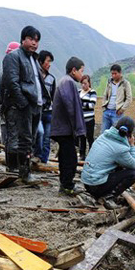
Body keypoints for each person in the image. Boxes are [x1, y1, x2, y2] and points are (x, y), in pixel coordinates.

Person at [2, 26, 45, 183]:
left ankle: (24, 171)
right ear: (23, 39)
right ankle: (23, 173)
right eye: (31, 39)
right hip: (24, 106)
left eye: (37, 40)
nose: (34, 43)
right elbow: (11, 82)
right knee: (23, 139)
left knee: (31, 139)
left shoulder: (33, 59)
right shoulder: (13, 57)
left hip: (36, 105)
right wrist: (23, 103)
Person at [81, 116, 135, 208]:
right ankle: (108, 198)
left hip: (87, 183)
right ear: (130, 134)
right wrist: (132, 146)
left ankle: (103, 194)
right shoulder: (120, 149)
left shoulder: (103, 136)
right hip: (96, 186)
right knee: (132, 174)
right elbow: (134, 165)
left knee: (119, 167)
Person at [50, 57, 87, 195]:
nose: (82, 75)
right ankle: (67, 186)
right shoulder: (68, 82)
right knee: (70, 159)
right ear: (73, 70)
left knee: (66, 157)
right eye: (81, 71)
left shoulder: (66, 81)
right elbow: (71, 107)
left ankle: (65, 184)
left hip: (63, 128)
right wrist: (77, 128)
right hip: (64, 129)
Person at [0, 41, 21, 153]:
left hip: (10, 107)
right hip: (12, 107)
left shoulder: (6, 70)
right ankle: (13, 165)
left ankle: (12, 164)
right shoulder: (10, 71)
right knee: (13, 137)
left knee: (11, 137)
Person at [33, 50, 56, 163]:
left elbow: (53, 96)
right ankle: (36, 155)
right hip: (38, 111)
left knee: (47, 138)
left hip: (49, 112)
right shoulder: (35, 76)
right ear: (41, 61)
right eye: (48, 61)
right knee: (39, 133)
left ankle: (44, 161)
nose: (49, 64)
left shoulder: (52, 79)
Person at [101, 64, 132, 132]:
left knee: (116, 134)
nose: (113, 75)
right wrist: (104, 108)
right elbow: (105, 95)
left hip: (117, 113)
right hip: (107, 112)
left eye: (115, 73)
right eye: (112, 74)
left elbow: (129, 98)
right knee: (104, 134)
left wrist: (122, 109)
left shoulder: (125, 83)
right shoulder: (109, 82)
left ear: (120, 73)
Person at [78, 75, 97, 160]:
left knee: (90, 137)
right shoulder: (78, 92)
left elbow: (91, 105)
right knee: (82, 137)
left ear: (89, 83)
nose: (83, 85)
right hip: (80, 119)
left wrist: (81, 104)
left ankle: (92, 154)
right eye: (82, 83)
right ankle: (82, 154)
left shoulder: (92, 92)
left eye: (85, 83)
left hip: (89, 119)